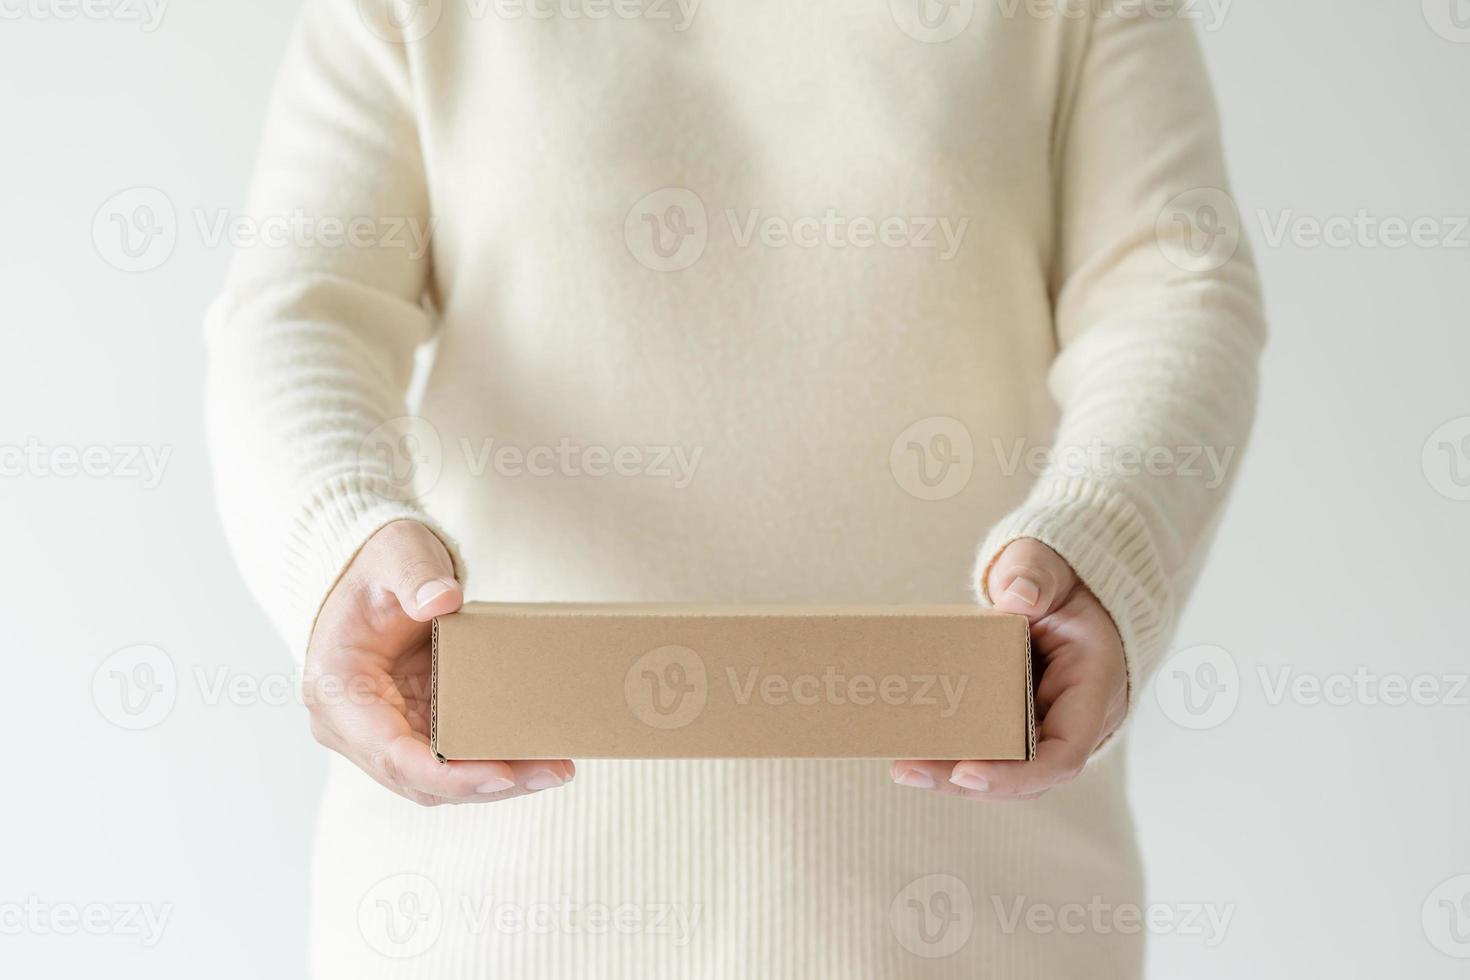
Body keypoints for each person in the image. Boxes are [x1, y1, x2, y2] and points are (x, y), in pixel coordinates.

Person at [205, 1, 1263, 975]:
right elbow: (300, 309)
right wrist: (341, 535)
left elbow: (1172, 288)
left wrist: (1106, 536)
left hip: (967, 907)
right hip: (488, 906)